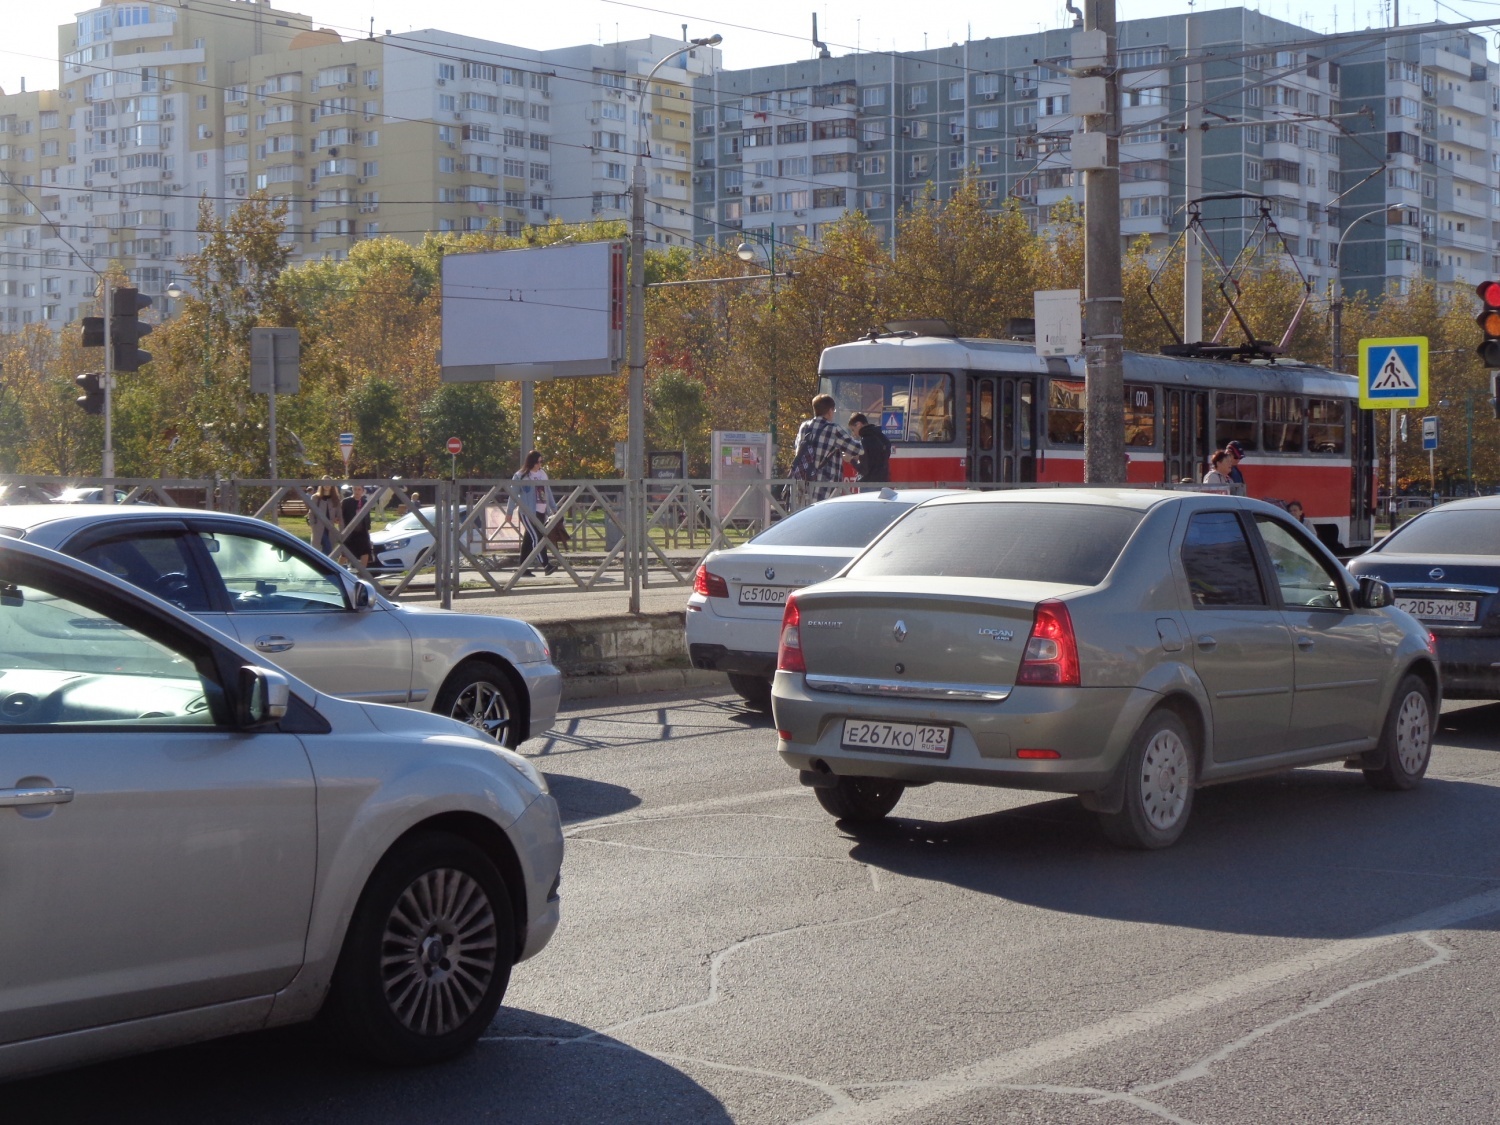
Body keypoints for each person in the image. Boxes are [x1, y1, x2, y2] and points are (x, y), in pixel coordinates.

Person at [792, 394, 862, 500]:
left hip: (802, 488)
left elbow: (798, 449)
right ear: (830, 411)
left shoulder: (804, 427)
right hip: (825, 490)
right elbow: (858, 449)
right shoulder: (833, 429)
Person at [508, 450, 558, 576]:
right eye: (538, 462)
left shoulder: (543, 475)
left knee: (529, 540)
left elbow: (548, 492)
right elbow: (513, 495)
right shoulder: (520, 475)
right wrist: (509, 512)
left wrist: (554, 508)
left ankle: (523, 568)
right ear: (531, 462)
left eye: (541, 462)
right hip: (528, 513)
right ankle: (546, 565)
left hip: (542, 512)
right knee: (538, 537)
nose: (539, 464)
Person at [848, 412, 890, 484]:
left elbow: (864, 470)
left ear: (859, 424)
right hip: (883, 481)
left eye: (853, 429)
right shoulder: (882, 436)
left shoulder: (865, 441)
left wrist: (851, 460)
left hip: (868, 484)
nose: (853, 433)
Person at [339, 484, 373, 569]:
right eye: (355, 489)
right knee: (345, 553)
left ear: (362, 491)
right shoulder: (346, 502)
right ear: (352, 490)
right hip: (349, 532)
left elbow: (367, 516)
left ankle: (362, 572)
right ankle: (337, 569)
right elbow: (340, 516)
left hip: (362, 531)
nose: (357, 492)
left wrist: (368, 526)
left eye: (359, 489)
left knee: (365, 552)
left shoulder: (365, 501)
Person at [307, 479, 340, 555]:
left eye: (329, 483)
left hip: (330, 527)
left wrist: (337, 518)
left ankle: (324, 565)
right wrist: (313, 525)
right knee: (326, 549)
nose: (327, 485)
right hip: (318, 527)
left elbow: (338, 513)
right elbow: (311, 513)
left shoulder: (335, 498)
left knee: (328, 550)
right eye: (325, 482)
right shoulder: (315, 497)